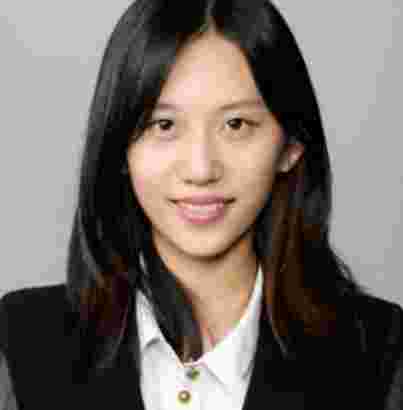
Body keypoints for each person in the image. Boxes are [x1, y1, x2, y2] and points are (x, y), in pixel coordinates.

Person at [1, 0, 402, 409]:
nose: (201, 169)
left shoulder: (379, 356)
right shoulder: (21, 346)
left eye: (236, 125)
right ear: (119, 147)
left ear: (291, 145)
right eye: (164, 125)